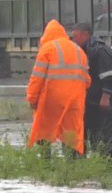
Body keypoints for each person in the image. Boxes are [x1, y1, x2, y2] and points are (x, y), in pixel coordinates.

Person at [26, 20, 91, 155]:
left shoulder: (47, 49)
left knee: (44, 129)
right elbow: (87, 80)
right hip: (74, 100)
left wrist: (32, 99)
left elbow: (37, 78)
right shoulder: (78, 50)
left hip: (51, 99)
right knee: (71, 131)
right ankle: (72, 163)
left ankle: (46, 161)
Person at [70, 22, 112, 155]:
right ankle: (95, 157)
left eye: (76, 36)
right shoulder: (84, 49)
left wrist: (105, 97)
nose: (74, 40)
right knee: (93, 129)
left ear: (85, 34)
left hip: (106, 97)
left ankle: (106, 161)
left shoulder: (100, 50)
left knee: (107, 131)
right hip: (94, 98)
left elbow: (110, 76)